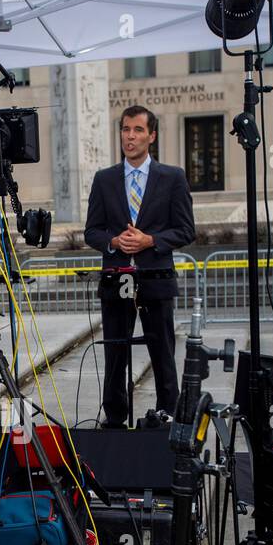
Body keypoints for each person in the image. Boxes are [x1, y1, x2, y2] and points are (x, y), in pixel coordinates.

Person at [84, 105, 196, 427]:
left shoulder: (172, 178)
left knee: (162, 353)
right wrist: (115, 242)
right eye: (125, 130)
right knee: (115, 355)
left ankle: (168, 416)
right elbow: (92, 231)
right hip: (116, 279)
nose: (130, 137)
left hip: (155, 278)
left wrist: (150, 241)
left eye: (137, 130)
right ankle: (114, 419)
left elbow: (186, 230)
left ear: (152, 136)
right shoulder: (104, 180)